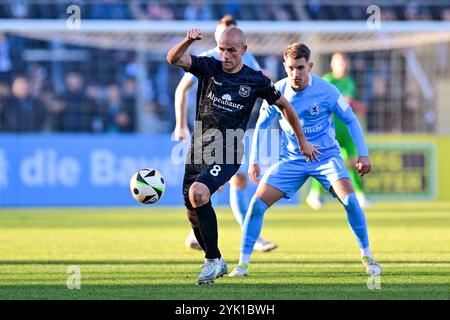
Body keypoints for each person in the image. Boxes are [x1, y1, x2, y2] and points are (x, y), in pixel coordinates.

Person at [166, 28, 319, 285]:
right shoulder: (208, 67)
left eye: (232, 50)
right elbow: (173, 58)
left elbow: (285, 106)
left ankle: (212, 261)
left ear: (244, 51)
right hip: (199, 147)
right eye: (222, 49)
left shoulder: (255, 80)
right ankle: (216, 260)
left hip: (229, 150)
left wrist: (302, 140)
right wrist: (188, 41)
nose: (225, 55)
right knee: (192, 211)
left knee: (198, 193)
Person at [229, 43, 382, 278]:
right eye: (291, 68)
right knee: (257, 205)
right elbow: (260, 125)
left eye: (300, 68)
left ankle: (368, 256)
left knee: (351, 201)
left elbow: (351, 120)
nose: (295, 74)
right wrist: (254, 160)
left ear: (309, 66)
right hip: (291, 160)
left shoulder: (328, 91)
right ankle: (242, 264)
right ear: (284, 66)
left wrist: (362, 153)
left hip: (325, 157)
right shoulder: (276, 91)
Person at [174, 15, 277, 253]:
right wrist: (180, 124)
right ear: (216, 36)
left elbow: (258, 77)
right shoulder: (210, 59)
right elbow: (182, 88)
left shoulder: (243, 56)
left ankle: (249, 235)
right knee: (212, 185)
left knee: (236, 180)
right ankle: (205, 234)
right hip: (209, 132)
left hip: (237, 129)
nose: (226, 44)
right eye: (222, 35)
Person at [306, 52, 371, 209]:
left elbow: (349, 106)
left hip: (346, 130)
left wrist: (355, 105)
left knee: (355, 161)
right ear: (332, 65)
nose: (342, 65)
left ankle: (360, 195)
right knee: (323, 162)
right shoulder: (328, 80)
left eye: (344, 62)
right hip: (330, 130)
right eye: (339, 62)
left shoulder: (350, 82)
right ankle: (314, 195)